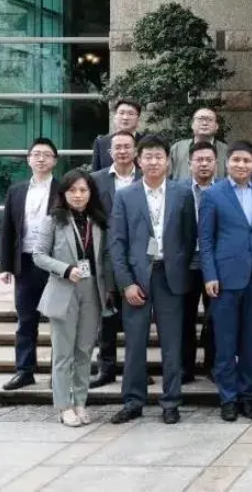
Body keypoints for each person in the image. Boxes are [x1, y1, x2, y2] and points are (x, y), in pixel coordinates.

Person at [109, 135, 197, 425]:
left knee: (172, 344)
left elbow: (189, 236)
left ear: (168, 161)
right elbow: (117, 243)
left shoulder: (182, 193)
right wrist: (126, 283)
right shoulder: (126, 196)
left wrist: (180, 267)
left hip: (170, 278)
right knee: (135, 344)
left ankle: (171, 402)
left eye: (159, 156)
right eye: (148, 157)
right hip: (137, 280)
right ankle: (133, 401)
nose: (154, 162)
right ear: (139, 160)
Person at [32, 170, 114, 427]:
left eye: (83, 190)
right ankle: (63, 406)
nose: (78, 195)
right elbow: (38, 255)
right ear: (64, 193)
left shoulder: (98, 221)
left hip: (92, 290)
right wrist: (65, 269)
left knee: (84, 351)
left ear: (91, 193)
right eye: (72, 190)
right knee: (63, 353)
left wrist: (110, 289)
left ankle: (80, 402)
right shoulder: (53, 220)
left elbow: (105, 258)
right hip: (63, 289)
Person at [199, 141, 252, 421]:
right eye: (236, 160)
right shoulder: (213, 194)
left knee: (251, 342)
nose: (241, 165)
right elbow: (205, 240)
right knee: (226, 343)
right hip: (224, 279)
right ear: (226, 162)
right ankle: (228, 398)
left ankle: (248, 395)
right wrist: (210, 275)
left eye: (247, 161)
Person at [0, 137, 60, 391]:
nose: (41, 158)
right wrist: (5, 266)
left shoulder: (64, 189)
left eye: (47, 154)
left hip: (55, 264)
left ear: (55, 160)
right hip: (25, 262)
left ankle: (59, 372)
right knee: (26, 319)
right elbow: (8, 230)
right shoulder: (17, 190)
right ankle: (24, 371)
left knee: (59, 320)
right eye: (36, 154)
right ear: (28, 159)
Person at [89, 131, 140, 388]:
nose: (122, 151)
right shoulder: (96, 179)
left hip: (140, 254)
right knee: (107, 314)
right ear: (109, 152)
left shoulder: (146, 177)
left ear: (135, 151)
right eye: (117, 147)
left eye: (127, 147)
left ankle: (136, 369)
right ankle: (106, 368)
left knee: (137, 317)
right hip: (106, 254)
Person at [182, 142, 218, 384]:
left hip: (215, 264)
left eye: (208, 160)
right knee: (185, 318)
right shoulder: (178, 190)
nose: (204, 164)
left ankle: (213, 366)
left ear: (216, 163)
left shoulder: (224, 190)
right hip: (185, 263)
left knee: (215, 318)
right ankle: (185, 368)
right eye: (199, 160)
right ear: (189, 164)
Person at [170, 107, 229, 180]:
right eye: (200, 119)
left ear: (216, 126)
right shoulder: (177, 148)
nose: (204, 123)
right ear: (192, 125)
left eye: (209, 120)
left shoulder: (226, 150)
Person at [91, 99, 142, 171]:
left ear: (138, 120)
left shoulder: (146, 143)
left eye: (131, 114)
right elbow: (95, 173)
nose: (125, 117)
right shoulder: (101, 143)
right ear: (114, 117)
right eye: (121, 113)